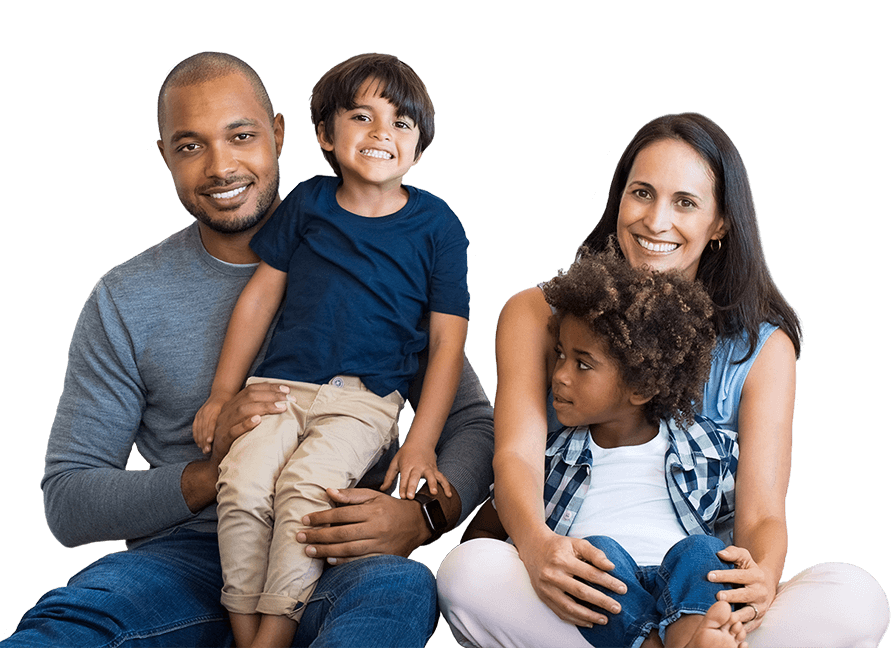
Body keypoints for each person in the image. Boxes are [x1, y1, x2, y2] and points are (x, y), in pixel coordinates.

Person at [0, 52, 493, 648]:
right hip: (183, 557)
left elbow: (472, 420)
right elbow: (68, 502)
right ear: (163, 156)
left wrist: (421, 518)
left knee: (398, 592)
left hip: (333, 546)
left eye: (241, 136)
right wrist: (215, 474)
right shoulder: (124, 298)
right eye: (190, 146)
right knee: (73, 621)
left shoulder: (384, 252)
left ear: (280, 134)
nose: (221, 166)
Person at [437, 112, 889, 647]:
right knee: (467, 571)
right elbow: (514, 456)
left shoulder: (762, 347)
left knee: (857, 597)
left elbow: (763, 512)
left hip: (698, 590)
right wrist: (537, 550)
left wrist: (761, 580)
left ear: (721, 222)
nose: (655, 221)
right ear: (618, 198)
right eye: (642, 193)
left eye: (685, 202)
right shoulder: (536, 312)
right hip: (582, 585)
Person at [190, 53, 470, 648]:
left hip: (363, 403)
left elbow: (448, 341)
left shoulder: (437, 226)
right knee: (240, 482)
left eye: (401, 123)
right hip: (281, 390)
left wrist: (421, 440)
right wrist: (222, 394)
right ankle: (247, 632)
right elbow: (259, 300)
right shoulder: (308, 203)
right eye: (362, 116)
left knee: (304, 489)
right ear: (324, 133)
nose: (380, 134)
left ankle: (275, 630)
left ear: (418, 149)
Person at [461, 245, 750, 648]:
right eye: (559, 355)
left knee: (704, 551)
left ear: (643, 387)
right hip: (603, 596)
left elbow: (748, 523)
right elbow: (487, 529)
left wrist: (752, 564)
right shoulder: (549, 457)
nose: (559, 375)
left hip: (679, 586)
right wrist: (502, 567)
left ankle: (692, 634)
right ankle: (653, 642)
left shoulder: (707, 447)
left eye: (582, 364)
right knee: (596, 553)